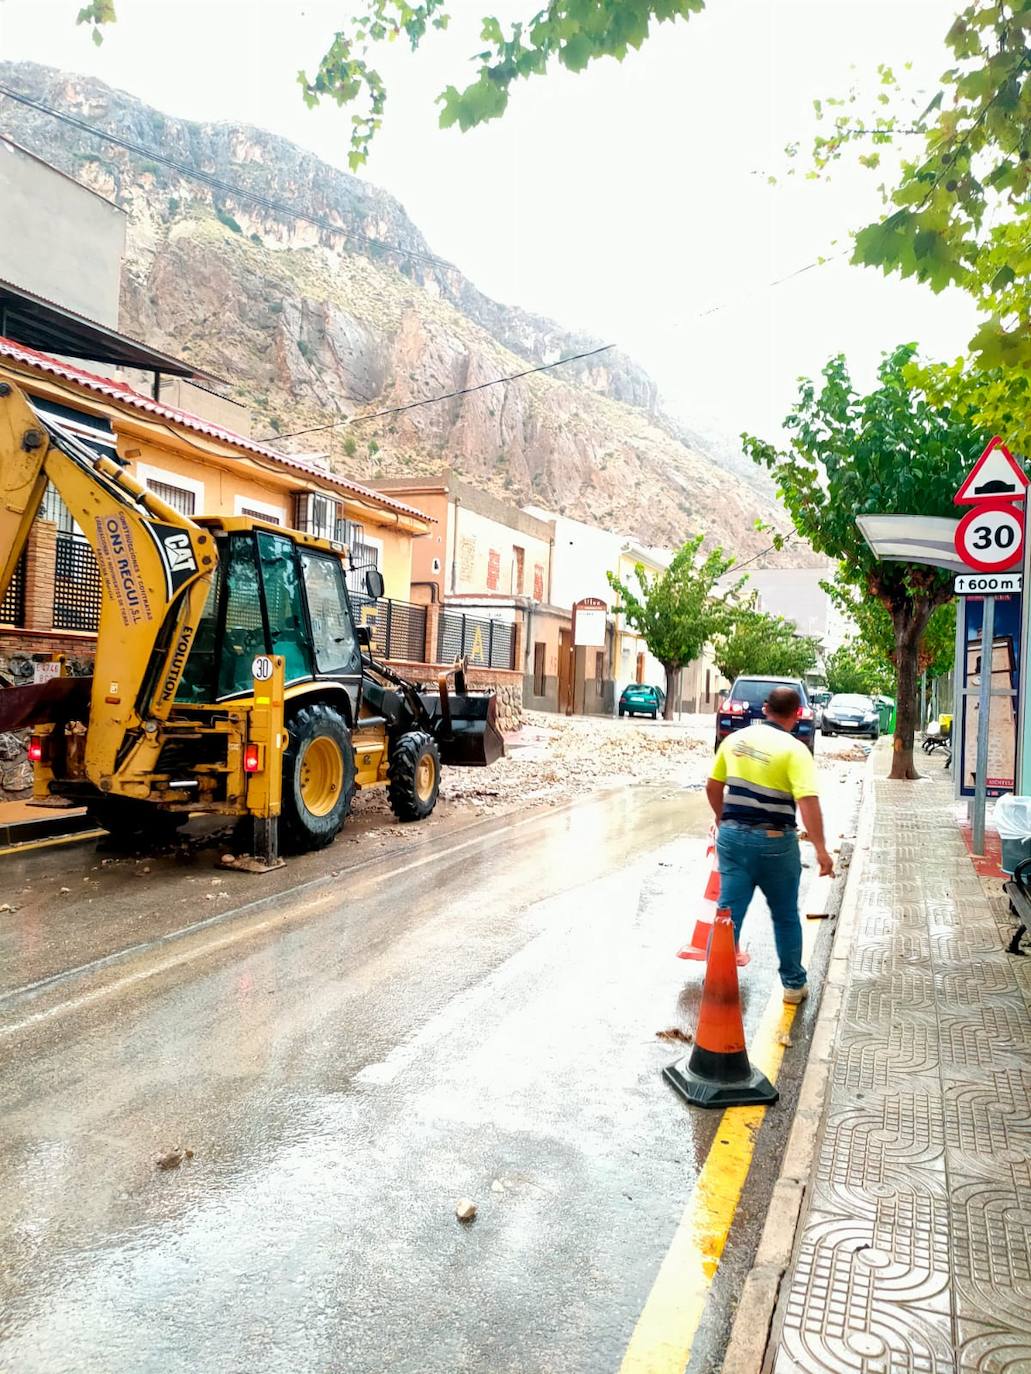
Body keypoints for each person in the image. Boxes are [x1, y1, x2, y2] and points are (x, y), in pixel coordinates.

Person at [705, 686, 834, 1004]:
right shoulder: (796, 750)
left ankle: (717, 981)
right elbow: (807, 802)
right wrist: (820, 849)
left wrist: (725, 821)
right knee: (786, 914)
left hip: (734, 839)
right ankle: (793, 985)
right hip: (776, 842)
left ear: (765, 709)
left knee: (727, 913)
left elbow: (712, 786)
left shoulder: (735, 741)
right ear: (796, 714)